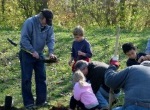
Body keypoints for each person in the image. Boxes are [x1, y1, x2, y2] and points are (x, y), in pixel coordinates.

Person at [19, 9, 56, 109]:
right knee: (26, 78)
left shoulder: (48, 26)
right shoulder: (29, 22)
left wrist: (51, 52)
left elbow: (51, 39)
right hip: (26, 53)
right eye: (46, 21)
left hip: (39, 54)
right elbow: (24, 39)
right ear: (42, 18)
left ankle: (41, 101)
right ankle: (28, 103)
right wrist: (32, 51)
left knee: (41, 77)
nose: (47, 24)